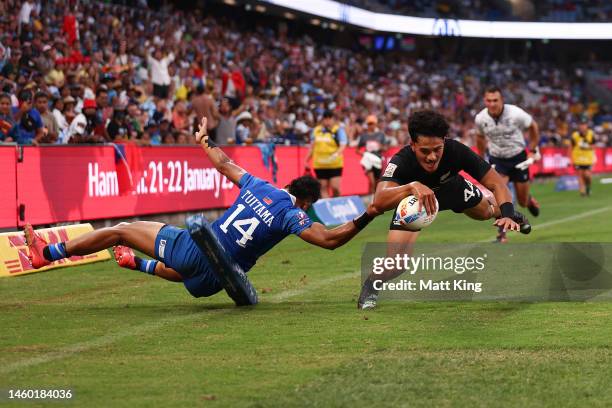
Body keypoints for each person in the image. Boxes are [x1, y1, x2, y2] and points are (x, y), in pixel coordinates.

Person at [24, 117, 378, 300]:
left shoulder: (258, 185)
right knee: (189, 265)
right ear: (305, 201)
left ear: (287, 185)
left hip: (194, 253)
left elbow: (223, 164)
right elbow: (331, 240)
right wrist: (369, 214)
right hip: (211, 283)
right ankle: (140, 264)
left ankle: (49, 253)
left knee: (122, 229)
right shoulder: (293, 215)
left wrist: (203, 140)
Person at [357, 110, 531, 310]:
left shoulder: (456, 150)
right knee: (397, 265)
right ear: (412, 145)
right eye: (424, 151)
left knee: (486, 213)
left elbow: (497, 183)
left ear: (445, 142)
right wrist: (411, 186)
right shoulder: (401, 160)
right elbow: (378, 201)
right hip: (416, 205)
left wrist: (507, 213)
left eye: (437, 149)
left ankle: (508, 214)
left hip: (453, 190)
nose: (432, 157)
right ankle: (371, 286)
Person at [475, 86, 541, 243]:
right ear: (485, 101)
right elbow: (480, 137)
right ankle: (502, 234)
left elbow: (533, 127)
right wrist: (481, 157)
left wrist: (532, 148)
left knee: (522, 201)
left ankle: (529, 200)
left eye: (495, 100)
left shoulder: (516, 113)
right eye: (488, 100)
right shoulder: (480, 118)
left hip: (519, 158)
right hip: (497, 159)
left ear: (502, 100)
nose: (492, 104)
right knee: (500, 196)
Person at [304, 110, 347, 198]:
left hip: (334, 164)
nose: (327, 121)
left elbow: (343, 145)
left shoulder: (338, 131)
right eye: (325, 118)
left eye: (329, 118)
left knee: (335, 187)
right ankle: (328, 209)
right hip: (320, 165)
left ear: (333, 119)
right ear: (323, 119)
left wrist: (336, 154)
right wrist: (306, 160)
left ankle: (337, 203)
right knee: (322, 188)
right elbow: (312, 147)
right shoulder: (316, 131)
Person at [357, 115, 388, 194]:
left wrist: (379, 146)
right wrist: (364, 153)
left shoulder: (381, 134)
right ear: (367, 124)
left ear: (376, 124)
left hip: (378, 160)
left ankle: (376, 200)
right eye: (369, 124)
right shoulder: (364, 136)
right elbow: (357, 150)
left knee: (377, 183)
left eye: (372, 123)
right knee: (372, 182)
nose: (371, 125)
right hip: (368, 159)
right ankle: (371, 202)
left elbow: (385, 148)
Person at [569, 116, 596, 197]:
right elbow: (571, 147)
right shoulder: (575, 135)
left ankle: (588, 187)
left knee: (587, 175)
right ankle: (582, 192)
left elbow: (594, 146)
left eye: (584, 124)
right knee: (580, 174)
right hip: (578, 158)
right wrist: (570, 159)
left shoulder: (591, 134)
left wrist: (586, 146)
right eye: (581, 124)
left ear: (587, 125)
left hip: (588, 158)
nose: (582, 126)